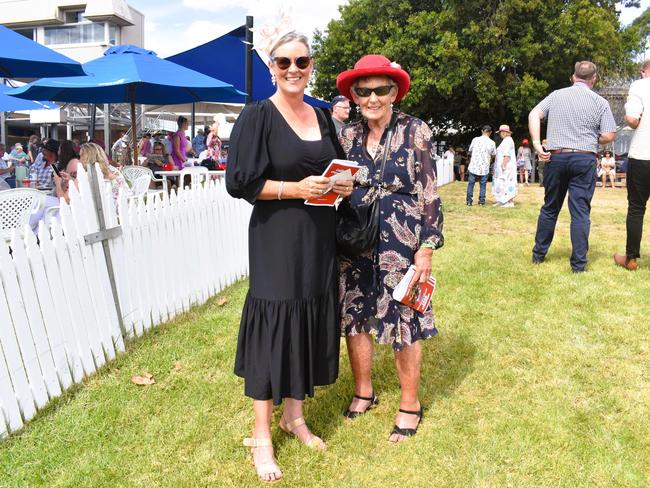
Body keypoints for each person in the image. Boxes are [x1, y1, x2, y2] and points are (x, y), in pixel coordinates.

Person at [225, 30, 353, 483]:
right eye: (284, 63)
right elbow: (239, 183)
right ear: (272, 68)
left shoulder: (322, 116)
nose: (294, 70)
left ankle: (293, 416)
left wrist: (342, 184)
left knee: (309, 318)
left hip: (318, 235)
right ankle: (262, 433)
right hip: (276, 238)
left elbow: (337, 169)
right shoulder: (257, 116)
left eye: (302, 62)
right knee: (274, 322)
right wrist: (293, 189)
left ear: (311, 65)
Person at [336, 54, 443, 442]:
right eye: (363, 91)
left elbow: (430, 191)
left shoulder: (416, 131)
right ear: (354, 96)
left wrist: (427, 245)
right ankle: (363, 390)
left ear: (394, 92)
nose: (372, 98)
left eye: (380, 89)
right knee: (355, 315)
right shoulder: (346, 136)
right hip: (355, 238)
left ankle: (410, 403)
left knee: (405, 320)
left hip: (403, 240)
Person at [529, 61, 617, 272]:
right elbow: (609, 134)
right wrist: (593, 137)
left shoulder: (556, 95)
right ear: (593, 79)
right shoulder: (600, 102)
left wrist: (536, 143)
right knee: (580, 212)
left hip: (556, 157)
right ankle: (578, 265)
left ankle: (538, 256)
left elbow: (534, 114)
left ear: (572, 77)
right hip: (584, 158)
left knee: (550, 208)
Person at [614, 59, 650, 270]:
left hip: (643, 154)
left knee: (636, 208)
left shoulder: (639, 85)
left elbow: (632, 120)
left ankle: (631, 259)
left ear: (644, 71)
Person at [466, 125, 496, 206]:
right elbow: (493, 154)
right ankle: (481, 201)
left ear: (482, 131)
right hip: (484, 166)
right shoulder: (492, 143)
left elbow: (470, 151)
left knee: (471, 183)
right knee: (483, 184)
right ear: (490, 133)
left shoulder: (475, 140)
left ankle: (469, 201)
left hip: (474, 165)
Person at [492, 125, 518, 207]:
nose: (500, 134)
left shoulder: (508, 140)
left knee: (507, 183)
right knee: (502, 183)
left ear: (503, 132)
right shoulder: (506, 140)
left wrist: (503, 165)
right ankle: (502, 200)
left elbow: (507, 155)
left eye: (500, 132)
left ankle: (509, 202)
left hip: (506, 166)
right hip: (504, 166)